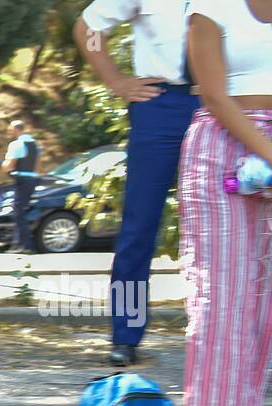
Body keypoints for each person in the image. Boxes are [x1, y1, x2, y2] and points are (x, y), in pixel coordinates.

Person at [177, 0, 272, 406]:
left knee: (262, 301)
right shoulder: (211, 6)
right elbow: (215, 95)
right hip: (222, 151)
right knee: (222, 297)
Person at [75, 1, 198, 368]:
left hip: (223, 101)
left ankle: (223, 334)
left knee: (226, 225)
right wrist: (115, 80)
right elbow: (88, 29)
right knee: (139, 227)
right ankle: (125, 336)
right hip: (159, 104)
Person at [0, 119, 39, 254]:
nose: (9, 132)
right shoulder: (34, 144)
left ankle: (27, 246)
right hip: (32, 180)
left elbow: (8, 166)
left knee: (18, 214)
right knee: (21, 212)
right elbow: (36, 166)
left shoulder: (16, 144)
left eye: (10, 129)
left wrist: (3, 165)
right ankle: (17, 245)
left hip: (21, 181)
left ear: (17, 130)